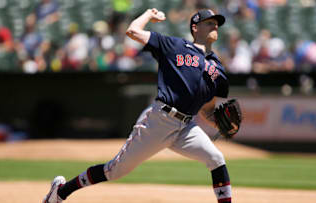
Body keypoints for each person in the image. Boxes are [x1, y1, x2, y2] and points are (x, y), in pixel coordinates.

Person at [43, 8, 232, 203]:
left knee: (216, 159)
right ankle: (61, 192)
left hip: (186, 127)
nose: (215, 25)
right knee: (114, 170)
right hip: (160, 120)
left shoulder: (217, 67)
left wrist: (223, 125)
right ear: (195, 27)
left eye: (216, 23)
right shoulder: (174, 45)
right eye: (209, 22)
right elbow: (132, 31)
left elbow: (207, 109)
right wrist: (149, 15)